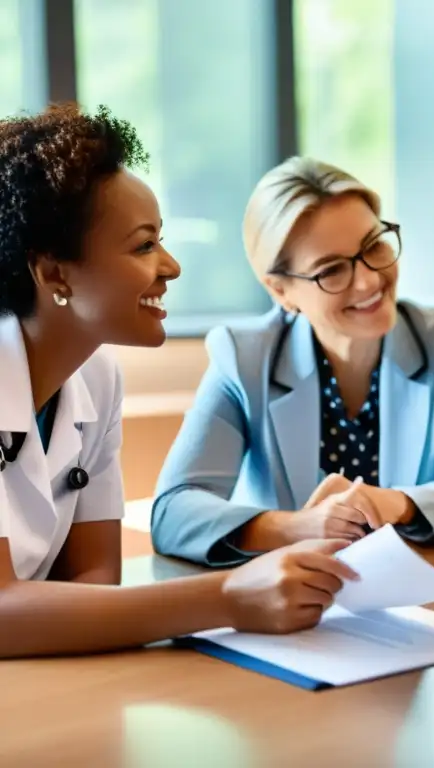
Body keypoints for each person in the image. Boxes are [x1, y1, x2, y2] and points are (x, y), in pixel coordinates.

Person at [0, 105, 357, 659]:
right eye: (144, 245)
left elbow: (96, 575)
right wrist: (229, 597)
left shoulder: (95, 378)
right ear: (53, 273)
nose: (171, 267)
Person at [151, 157, 434, 567]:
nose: (370, 281)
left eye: (374, 245)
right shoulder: (244, 358)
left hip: (422, 595)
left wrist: (394, 504)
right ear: (281, 291)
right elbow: (172, 512)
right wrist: (299, 527)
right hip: (293, 604)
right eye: (332, 270)